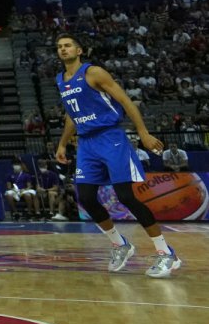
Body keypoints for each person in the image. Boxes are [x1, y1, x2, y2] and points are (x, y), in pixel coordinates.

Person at [53, 33, 180, 278]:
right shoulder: (60, 80)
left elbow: (125, 100)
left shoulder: (94, 73)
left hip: (110, 138)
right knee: (86, 198)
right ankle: (120, 245)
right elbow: (71, 114)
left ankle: (167, 253)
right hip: (86, 144)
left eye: (68, 45)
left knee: (126, 196)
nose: (63, 49)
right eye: (59, 47)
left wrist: (143, 133)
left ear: (79, 50)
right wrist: (62, 144)